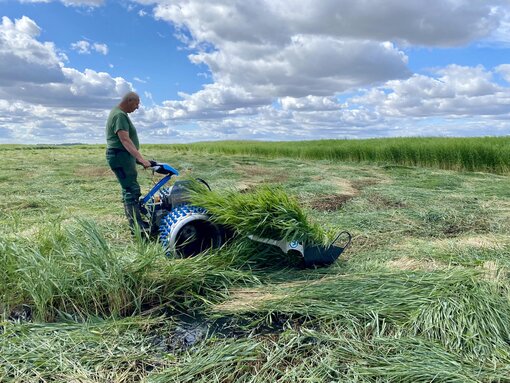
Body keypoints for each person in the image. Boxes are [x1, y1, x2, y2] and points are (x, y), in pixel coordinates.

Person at [105, 91, 152, 233]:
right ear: (129, 100)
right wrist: (140, 158)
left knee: (129, 189)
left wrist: (137, 158)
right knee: (131, 190)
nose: (137, 107)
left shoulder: (119, 113)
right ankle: (137, 228)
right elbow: (124, 139)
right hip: (120, 156)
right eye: (137, 103)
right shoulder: (119, 115)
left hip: (123, 156)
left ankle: (136, 222)